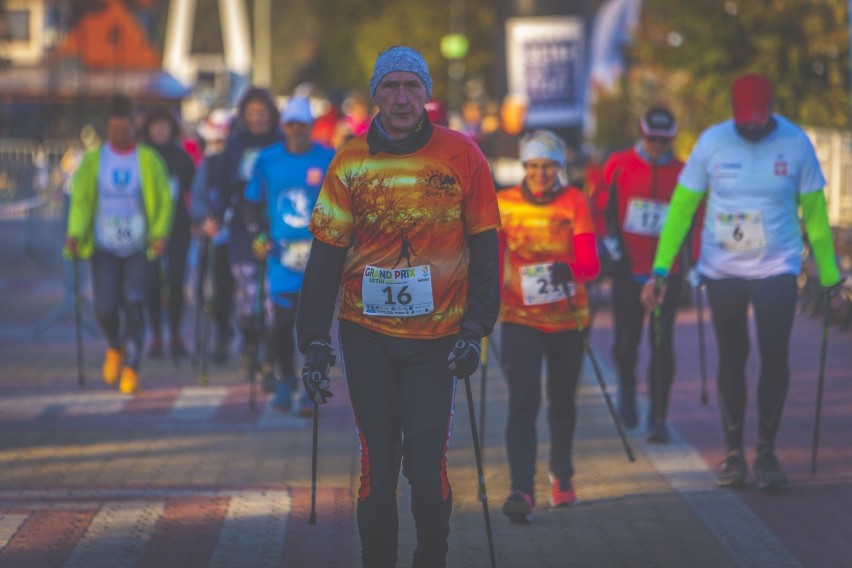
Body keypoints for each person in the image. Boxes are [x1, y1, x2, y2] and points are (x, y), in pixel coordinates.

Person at [296, 46, 501, 567]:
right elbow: (324, 256)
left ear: (427, 94)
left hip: (437, 339)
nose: (402, 97)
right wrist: (313, 339)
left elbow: (485, 247)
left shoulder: (463, 155)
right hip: (366, 333)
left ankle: (431, 557)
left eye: (413, 86)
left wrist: (476, 327)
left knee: (427, 467)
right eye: (391, 87)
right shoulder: (349, 161)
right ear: (375, 95)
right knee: (378, 466)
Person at [641, 74, 842, 490]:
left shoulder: (796, 143)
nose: (752, 126)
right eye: (744, 119)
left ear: (771, 108)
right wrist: (661, 269)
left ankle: (765, 451)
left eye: (760, 117)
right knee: (732, 357)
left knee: (774, 353)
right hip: (724, 269)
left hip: (778, 266)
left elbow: (816, 216)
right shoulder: (713, 142)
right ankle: (734, 455)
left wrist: (830, 274)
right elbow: (681, 208)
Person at [496, 130, 600, 523]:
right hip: (520, 317)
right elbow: (494, 256)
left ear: (560, 167)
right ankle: (521, 487)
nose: (541, 174)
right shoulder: (504, 203)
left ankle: (563, 476)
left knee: (562, 401)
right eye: (534, 166)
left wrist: (569, 268)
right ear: (524, 167)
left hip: (568, 318)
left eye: (548, 166)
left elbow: (591, 265)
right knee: (523, 401)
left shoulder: (575, 201)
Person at [64, 94, 173, 394]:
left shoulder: (148, 159)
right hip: (104, 246)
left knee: (134, 302)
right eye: (114, 130)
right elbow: (81, 202)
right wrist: (74, 232)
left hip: (139, 246)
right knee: (105, 308)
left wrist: (160, 233)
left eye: (124, 130)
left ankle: (132, 366)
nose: (119, 136)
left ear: (133, 127)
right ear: (107, 129)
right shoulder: (94, 160)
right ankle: (115, 346)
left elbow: (164, 201)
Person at [602, 107, 690, 443]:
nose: (656, 145)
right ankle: (626, 386)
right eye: (651, 138)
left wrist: (691, 260)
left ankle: (658, 417)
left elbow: (695, 216)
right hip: (628, 269)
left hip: (666, 273)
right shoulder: (619, 163)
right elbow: (601, 209)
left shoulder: (683, 171)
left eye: (664, 140)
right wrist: (610, 249)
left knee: (661, 342)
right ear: (642, 133)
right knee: (627, 342)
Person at [244, 96, 335, 415]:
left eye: (303, 125)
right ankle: (285, 379)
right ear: (283, 127)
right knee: (282, 323)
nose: (298, 131)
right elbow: (251, 201)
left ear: (311, 127)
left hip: (319, 254)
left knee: (314, 325)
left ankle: (311, 385)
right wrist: (258, 234)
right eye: (292, 125)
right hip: (281, 255)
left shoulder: (327, 157)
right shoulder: (267, 159)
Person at [208, 87, 282, 377]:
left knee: (272, 297)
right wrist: (215, 215)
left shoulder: (280, 143)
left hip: (276, 223)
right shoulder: (235, 145)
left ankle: (270, 352)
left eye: (262, 113)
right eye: (252, 114)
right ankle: (249, 343)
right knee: (247, 295)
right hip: (241, 226)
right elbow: (223, 186)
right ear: (244, 117)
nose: (258, 118)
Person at [140, 106, 196, 361]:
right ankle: (155, 336)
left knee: (175, 282)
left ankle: (175, 334)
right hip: (148, 229)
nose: (160, 129)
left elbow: (194, 191)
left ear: (172, 129)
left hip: (178, 228)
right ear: (148, 128)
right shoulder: (141, 156)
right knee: (151, 281)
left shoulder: (182, 157)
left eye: (165, 125)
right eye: (155, 125)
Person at [190, 107, 237, 364]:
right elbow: (197, 200)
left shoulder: (239, 162)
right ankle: (222, 331)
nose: (217, 146)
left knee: (234, 291)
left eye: (222, 141)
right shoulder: (206, 165)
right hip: (214, 237)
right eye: (213, 141)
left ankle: (235, 334)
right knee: (209, 291)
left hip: (238, 237)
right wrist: (203, 219)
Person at [478, 93, 528, 190]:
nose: (519, 117)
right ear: (504, 112)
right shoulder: (489, 141)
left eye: (522, 113)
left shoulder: (531, 140)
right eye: (515, 113)